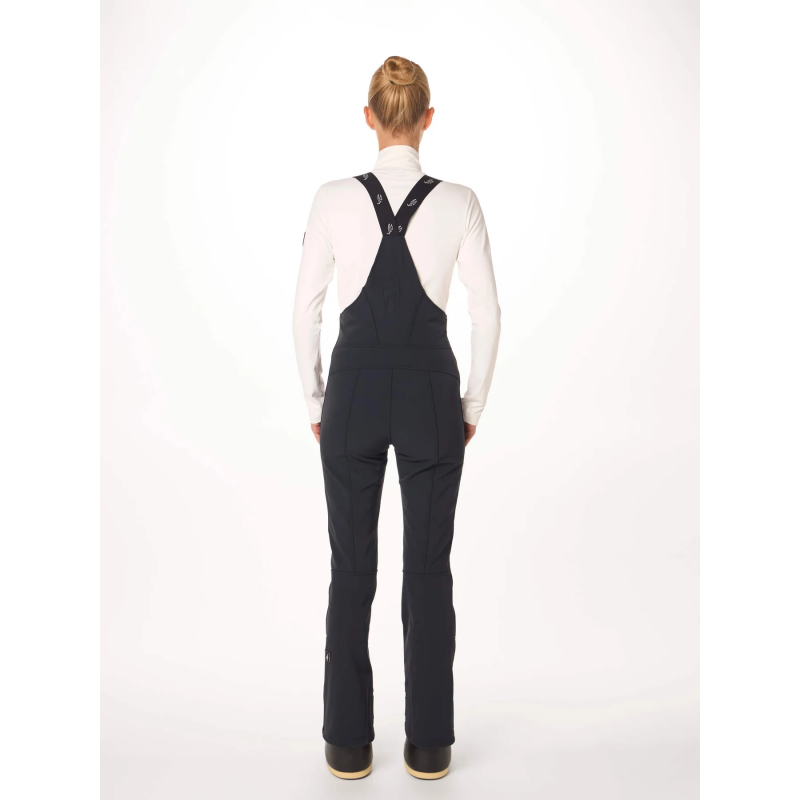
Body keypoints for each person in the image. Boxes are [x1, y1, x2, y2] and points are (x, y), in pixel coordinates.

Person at [292, 55, 501, 781]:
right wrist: (470, 405)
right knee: (429, 569)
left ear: (369, 117)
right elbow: (487, 313)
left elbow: (306, 310)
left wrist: (316, 401)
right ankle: (431, 744)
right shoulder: (461, 203)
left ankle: (347, 744)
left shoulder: (331, 199)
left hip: (351, 394)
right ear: (428, 119)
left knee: (351, 567)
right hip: (430, 396)